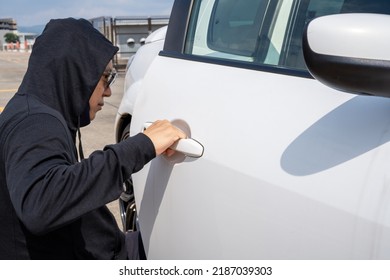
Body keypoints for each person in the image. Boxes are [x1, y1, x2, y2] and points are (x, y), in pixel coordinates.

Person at [0, 18, 185, 259]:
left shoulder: (37, 111)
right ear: (77, 73)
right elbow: (40, 204)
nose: (108, 91)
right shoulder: (34, 122)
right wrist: (142, 145)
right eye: (105, 77)